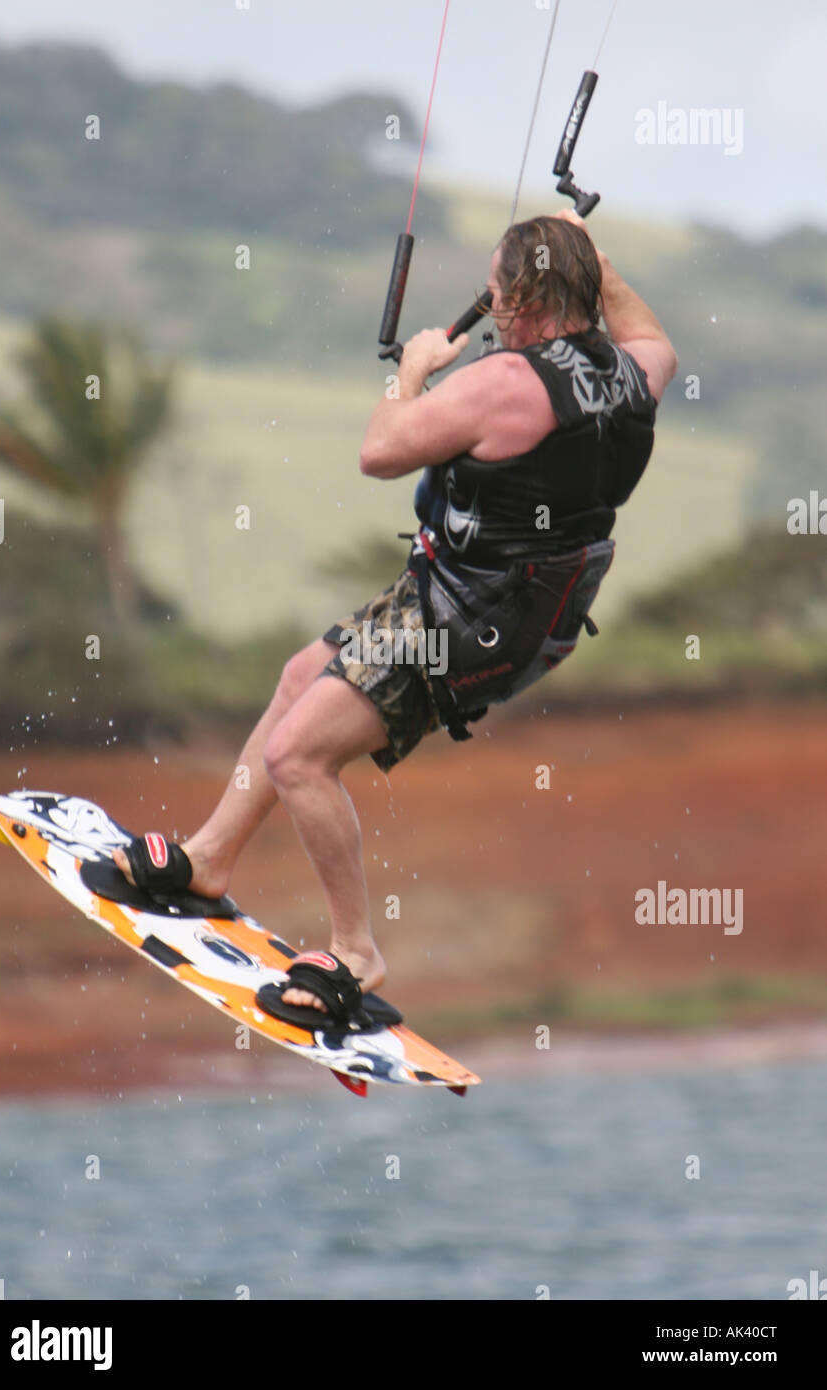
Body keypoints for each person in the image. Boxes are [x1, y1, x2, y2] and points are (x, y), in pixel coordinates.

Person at [113, 209, 677, 1028]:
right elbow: (646, 328)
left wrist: (411, 372)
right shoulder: (641, 372)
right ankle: (207, 860)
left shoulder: (503, 384)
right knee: (299, 679)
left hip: (470, 617)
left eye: (494, 292)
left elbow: (380, 452)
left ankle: (354, 952)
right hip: (511, 606)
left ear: (516, 299)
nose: (487, 306)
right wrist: (585, 248)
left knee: (297, 757)